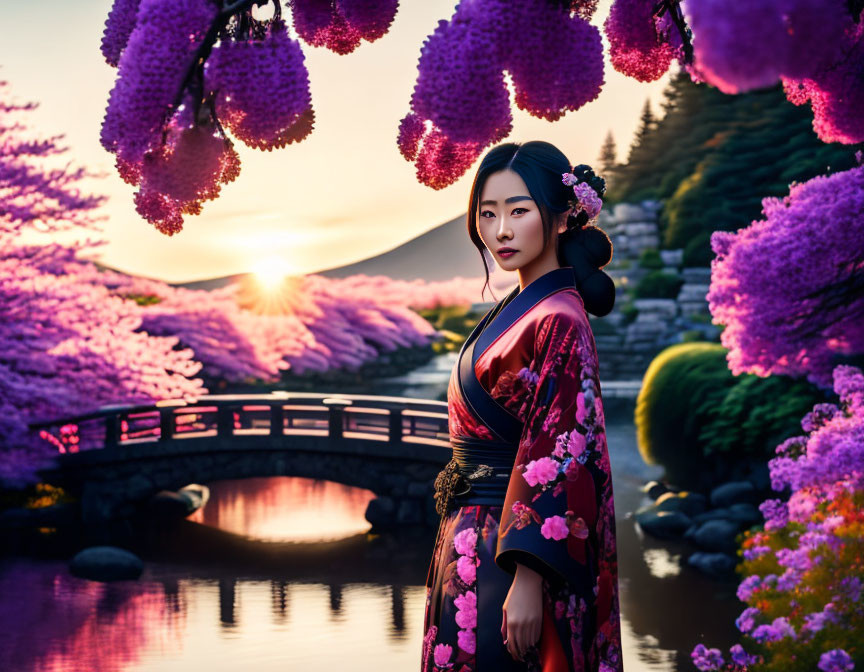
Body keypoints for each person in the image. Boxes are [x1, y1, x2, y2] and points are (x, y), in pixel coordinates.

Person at [421, 140, 623, 672]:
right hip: (472, 537)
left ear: (558, 218)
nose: (501, 231)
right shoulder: (521, 308)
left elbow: (562, 446)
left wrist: (530, 577)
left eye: (518, 210)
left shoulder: (559, 317)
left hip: (516, 558)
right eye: (487, 214)